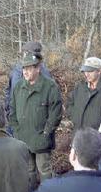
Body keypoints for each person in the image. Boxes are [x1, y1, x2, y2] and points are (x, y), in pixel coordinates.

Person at [9, 51, 62, 183]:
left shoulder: (50, 86)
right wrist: (16, 130)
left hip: (41, 139)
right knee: (28, 170)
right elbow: (12, 110)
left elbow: (56, 113)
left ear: (38, 69)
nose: (25, 72)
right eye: (24, 69)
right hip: (23, 138)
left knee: (44, 170)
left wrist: (46, 133)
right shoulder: (18, 87)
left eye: (29, 68)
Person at [4, 41, 52, 117]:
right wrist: (8, 112)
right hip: (15, 117)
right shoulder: (16, 70)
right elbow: (8, 91)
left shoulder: (44, 73)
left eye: (27, 53)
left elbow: (51, 100)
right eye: (25, 53)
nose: (25, 55)